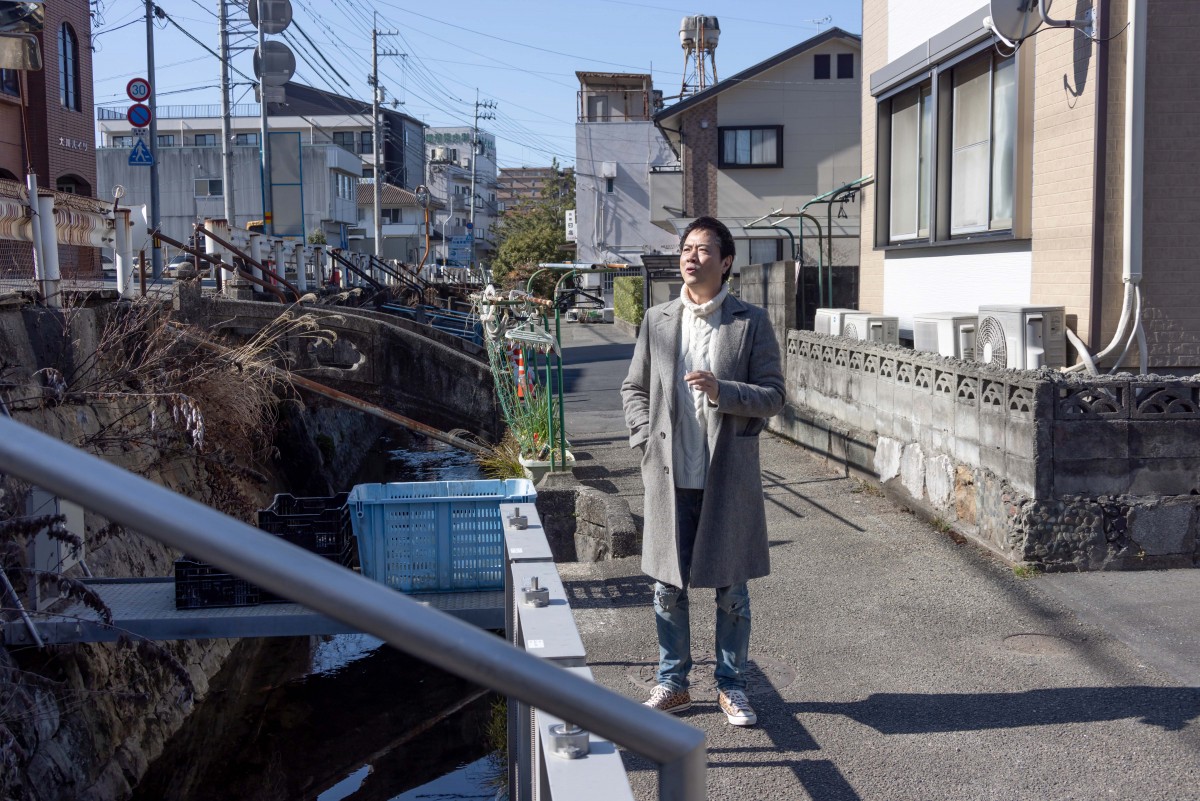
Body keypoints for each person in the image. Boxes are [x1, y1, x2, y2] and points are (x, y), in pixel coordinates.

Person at [621, 216, 785, 727]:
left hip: (726, 478)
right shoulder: (658, 319)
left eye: (703, 250)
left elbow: (775, 396)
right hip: (669, 476)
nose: (691, 257)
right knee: (666, 588)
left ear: (726, 261)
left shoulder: (749, 321)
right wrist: (645, 440)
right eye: (686, 249)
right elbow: (634, 388)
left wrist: (723, 391)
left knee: (731, 589)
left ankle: (732, 687)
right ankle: (673, 683)